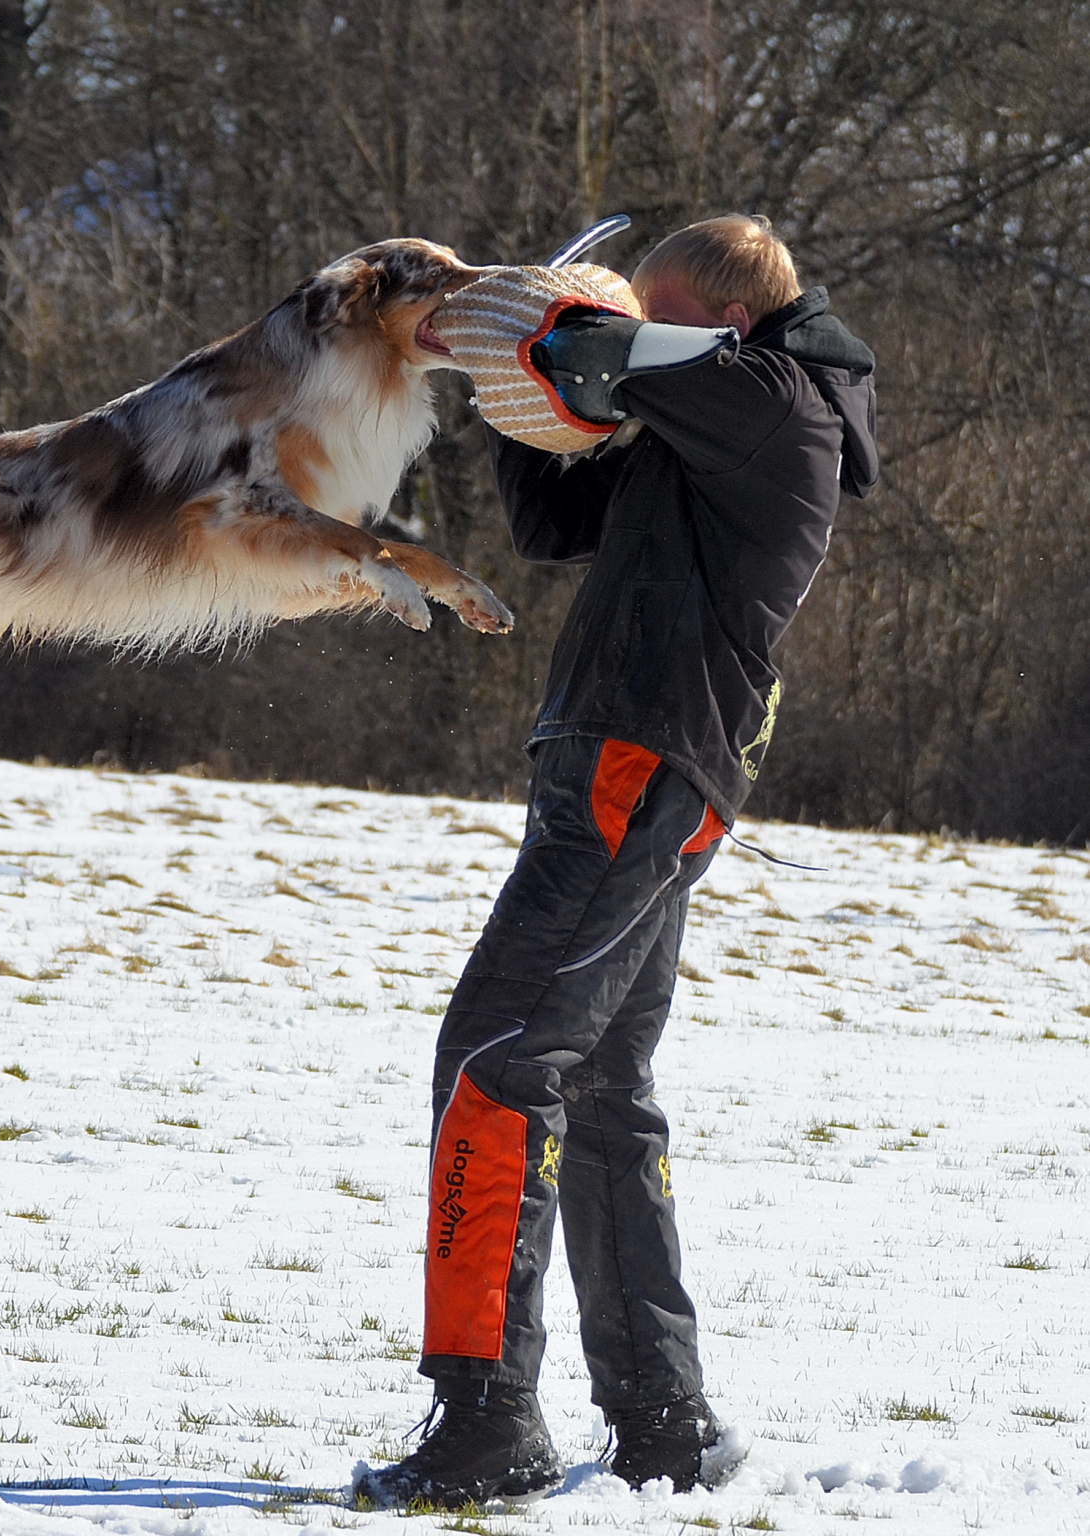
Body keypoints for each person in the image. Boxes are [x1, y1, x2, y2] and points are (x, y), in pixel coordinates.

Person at [358, 215, 879, 1507]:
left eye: (655, 312)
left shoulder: (773, 402)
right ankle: (665, 1422)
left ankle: (483, 1417)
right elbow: (550, 515)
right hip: (633, 765)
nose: (631, 332)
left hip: (636, 766)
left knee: (497, 1058)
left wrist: (492, 303)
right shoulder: (702, 435)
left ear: (721, 324)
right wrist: (496, 389)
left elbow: (582, 342)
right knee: (594, 1085)